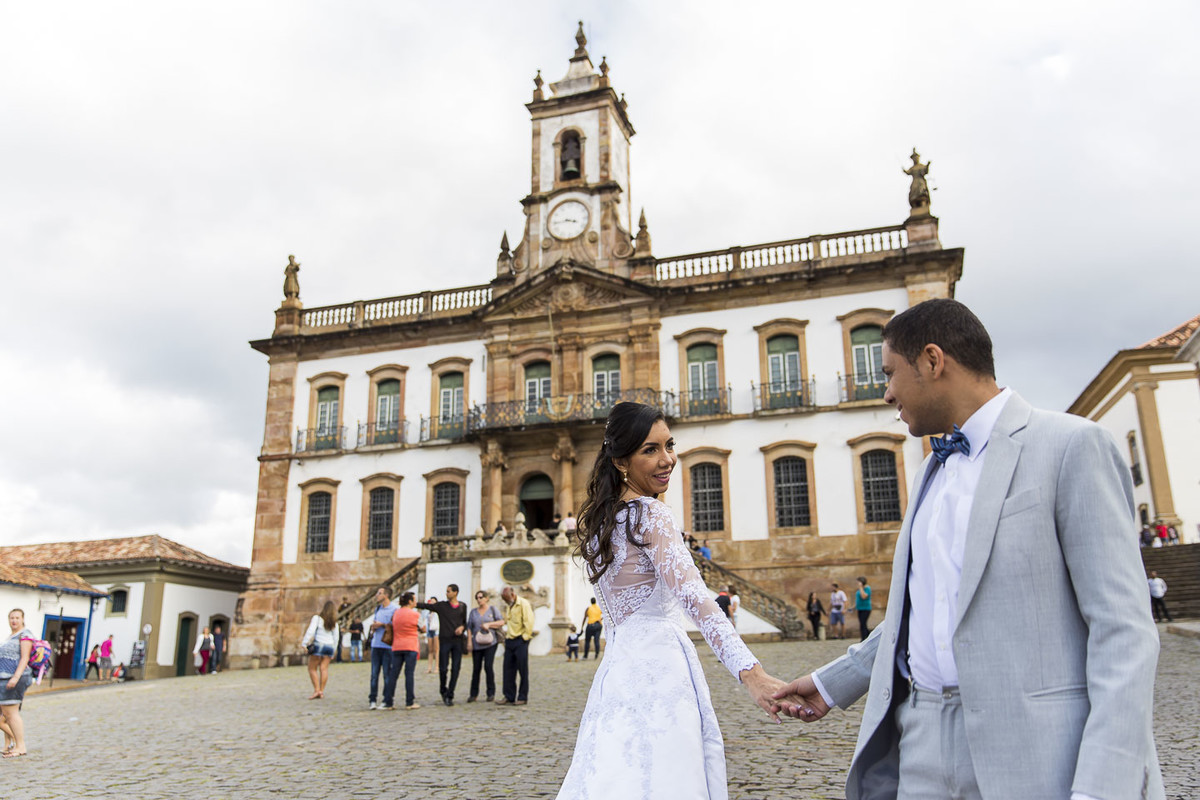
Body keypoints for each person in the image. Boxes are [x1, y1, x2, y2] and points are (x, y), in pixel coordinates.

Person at [772, 299, 1163, 800]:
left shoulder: (1071, 447)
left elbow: (1124, 632)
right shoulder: (930, 470)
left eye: (890, 373)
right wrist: (833, 683)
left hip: (1038, 752)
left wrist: (1103, 787)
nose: (887, 391)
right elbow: (923, 615)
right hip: (921, 744)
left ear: (933, 362)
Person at [556, 402, 787, 798]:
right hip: (662, 671)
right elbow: (697, 600)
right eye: (651, 450)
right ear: (621, 460)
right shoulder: (652, 515)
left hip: (616, 674)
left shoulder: (600, 523)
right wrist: (752, 675)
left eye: (669, 445)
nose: (668, 460)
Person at [417, 586, 468, 706]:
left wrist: (462, 627)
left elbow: (465, 622)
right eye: (446, 591)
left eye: (449, 591)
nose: (446, 593)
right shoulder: (442, 606)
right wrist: (413, 603)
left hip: (457, 641)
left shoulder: (462, 606)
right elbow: (427, 606)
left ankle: (450, 694)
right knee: (443, 668)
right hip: (445, 640)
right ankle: (443, 689)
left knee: (456, 668)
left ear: (455, 593)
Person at [0, 609, 35, 758]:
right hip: (5, 677)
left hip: (13, 678)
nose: (14, 620)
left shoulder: (25, 635)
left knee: (11, 714)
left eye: (17, 618)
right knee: (7, 715)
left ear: (22, 619)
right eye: (11, 618)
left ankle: (20, 746)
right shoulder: (11, 636)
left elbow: (24, 658)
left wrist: (16, 677)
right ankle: (14, 744)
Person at [385, 592, 423, 710]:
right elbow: (424, 628)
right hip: (410, 646)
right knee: (409, 674)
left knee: (393, 674)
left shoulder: (396, 613)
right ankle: (409, 702)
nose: (415, 602)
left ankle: (388, 701)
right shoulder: (415, 614)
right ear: (410, 601)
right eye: (414, 600)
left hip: (397, 646)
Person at [496, 586, 533, 706]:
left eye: (506, 599)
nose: (506, 602)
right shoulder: (509, 605)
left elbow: (529, 621)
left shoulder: (523, 604)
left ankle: (522, 697)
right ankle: (509, 696)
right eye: (504, 600)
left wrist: (525, 638)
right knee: (508, 670)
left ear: (512, 595)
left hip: (520, 640)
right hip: (510, 640)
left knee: (522, 670)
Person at [466, 590, 503, 703]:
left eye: (481, 597)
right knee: (476, 668)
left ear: (486, 598)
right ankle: (473, 694)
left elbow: (501, 622)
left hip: (490, 642)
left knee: (488, 666)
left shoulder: (493, 610)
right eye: (477, 597)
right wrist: (469, 642)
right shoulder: (473, 612)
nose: (479, 599)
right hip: (477, 643)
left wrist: (489, 624)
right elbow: (469, 627)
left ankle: (490, 693)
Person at [366, 586, 398, 710]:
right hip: (376, 644)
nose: (377, 596)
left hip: (387, 645)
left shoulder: (394, 609)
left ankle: (387, 699)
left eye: (379, 593)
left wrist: (383, 625)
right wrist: (374, 626)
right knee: (374, 674)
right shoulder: (378, 609)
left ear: (386, 595)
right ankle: (372, 699)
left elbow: (396, 625)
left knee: (387, 674)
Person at [301, 601, 339, 700]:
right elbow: (336, 637)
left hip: (319, 644)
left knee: (312, 668)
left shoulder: (317, 619)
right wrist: (334, 649)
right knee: (324, 669)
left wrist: (304, 643)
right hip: (329, 646)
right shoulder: (334, 622)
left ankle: (317, 690)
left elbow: (311, 631)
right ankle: (321, 691)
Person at [422, 596, 439, 676]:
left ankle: (436, 667)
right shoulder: (427, 613)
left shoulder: (437, 612)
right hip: (429, 631)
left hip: (436, 631)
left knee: (436, 649)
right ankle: (429, 667)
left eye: (433, 601)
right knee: (430, 650)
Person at [854, 577, 872, 641]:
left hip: (866, 608)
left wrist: (861, 588)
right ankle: (868, 635)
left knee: (863, 623)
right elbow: (858, 599)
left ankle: (864, 638)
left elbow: (864, 596)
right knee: (862, 623)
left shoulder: (867, 588)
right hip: (860, 608)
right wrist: (854, 607)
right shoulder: (859, 589)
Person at [335, 595, 351, 662]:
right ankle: (339, 659)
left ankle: (339, 658)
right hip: (342, 622)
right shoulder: (341, 606)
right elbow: (339, 612)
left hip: (345, 620)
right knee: (339, 646)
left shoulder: (349, 605)